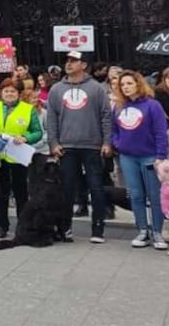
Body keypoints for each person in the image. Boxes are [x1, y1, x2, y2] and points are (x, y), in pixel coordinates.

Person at [47, 51, 112, 243]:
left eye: (73, 61)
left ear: (84, 65)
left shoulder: (96, 88)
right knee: (67, 189)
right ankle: (65, 229)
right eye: (67, 61)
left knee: (96, 187)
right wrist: (53, 142)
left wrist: (107, 141)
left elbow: (106, 116)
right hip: (66, 146)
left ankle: (98, 230)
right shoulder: (56, 89)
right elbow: (51, 117)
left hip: (92, 146)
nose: (68, 64)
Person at [111, 70, 169, 249]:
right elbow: (114, 130)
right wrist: (118, 143)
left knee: (155, 196)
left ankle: (157, 232)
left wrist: (160, 156)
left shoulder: (153, 106)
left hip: (150, 157)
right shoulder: (119, 107)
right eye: (123, 85)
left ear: (138, 84)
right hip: (128, 156)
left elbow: (161, 132)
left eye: (129, 83)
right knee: (136, 195)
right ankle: (142, 230)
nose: (126, 87)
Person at [0, 79, 44, 239]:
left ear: (19, 93)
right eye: (6, 91)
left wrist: (25, 137)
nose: (9, 94)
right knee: (1, 192)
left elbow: (37, 132)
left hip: (18, 155)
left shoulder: (28, 109)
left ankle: (23, 225)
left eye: (13, 91)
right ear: (1, 93)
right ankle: (2, 226)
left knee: (21, 192)